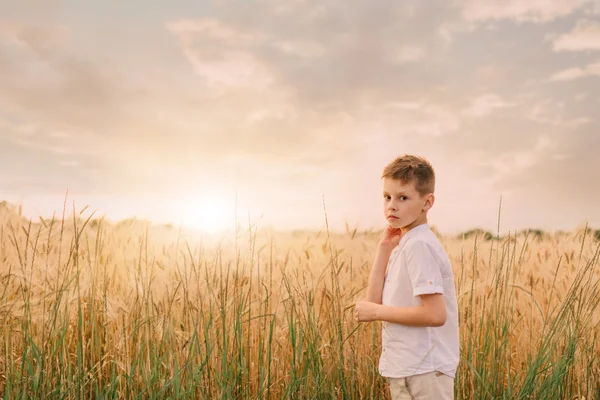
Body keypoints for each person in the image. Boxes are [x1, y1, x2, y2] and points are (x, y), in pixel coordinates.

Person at [354, 154, 459, 399]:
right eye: (387, 197)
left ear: (427, 202)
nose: (392, 205)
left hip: (425, 370)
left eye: (403, 197)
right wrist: (383, 250)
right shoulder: (406, 242)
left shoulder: (419, 245)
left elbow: (435, 314)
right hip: (408, 368)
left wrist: (376, 313)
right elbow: (373, 303)